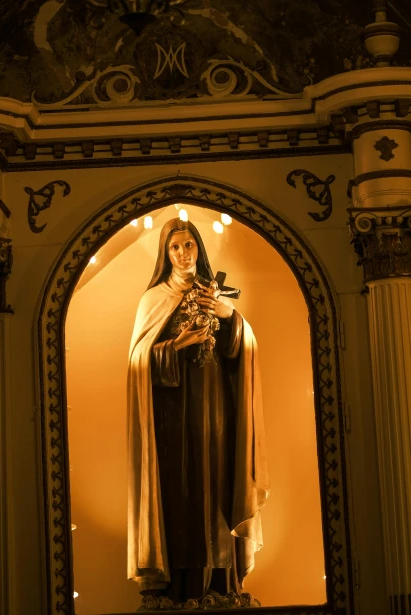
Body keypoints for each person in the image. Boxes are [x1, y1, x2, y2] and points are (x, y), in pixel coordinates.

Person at [127, 218, 269, 604]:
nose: (183, 253)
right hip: (172, 415)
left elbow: (244, 347)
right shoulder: (153, 299)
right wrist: (178, 344)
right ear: (166, 253)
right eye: (175, 247)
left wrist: (227, 316)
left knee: (219, 480)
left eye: (189, 245)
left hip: (217, 406)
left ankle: (223, 586)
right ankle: (181, 588)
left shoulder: (218, 293)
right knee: (181, 487)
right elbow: (138, 363)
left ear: (199, 249)